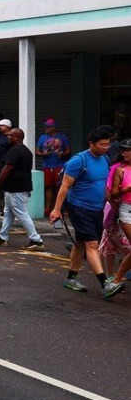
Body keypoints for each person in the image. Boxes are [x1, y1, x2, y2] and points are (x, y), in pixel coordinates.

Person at [49, 127, 124, 299]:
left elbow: (102, 185)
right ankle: (105, 284)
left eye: (107, 144)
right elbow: (65, 186)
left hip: (97, 208)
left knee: (81, 243)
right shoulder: (79, 161)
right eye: (102, 144)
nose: (105, 147)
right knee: (91, 244)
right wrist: (57, 209)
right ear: (91, 143)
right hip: (79, 207)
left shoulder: (105, 159)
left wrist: (113, 204)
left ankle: (71, 278)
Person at [0, 128, 45, 250]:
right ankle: (2, 237)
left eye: (10, 136)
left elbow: (7, 168)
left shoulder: (14, 151)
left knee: (22, 214)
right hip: (18, 187)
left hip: (16, 188)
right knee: (8, 213)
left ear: (17, 138)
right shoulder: (26, 151)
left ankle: (36, 240)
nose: (8, 137)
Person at [100, 139, 131, 280]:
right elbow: (109, 191)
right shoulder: (117, 168)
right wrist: (115, 208)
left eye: (128, 150)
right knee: (110, 242)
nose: (125, 153)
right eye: (123, 150)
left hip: (123, 207)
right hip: (117, 208)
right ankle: (111, 276)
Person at [36, 118, 71, 217]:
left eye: (48, 127)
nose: (45, 128)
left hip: (59, 165)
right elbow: (37, 151)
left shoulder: (62, 137)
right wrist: (43, 154)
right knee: (48, 186)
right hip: (47, 165)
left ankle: (61, 208)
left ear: (53, 127)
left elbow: (68, 150)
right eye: (45, 126)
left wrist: (62, 154)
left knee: (60, 187)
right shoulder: (42, 137)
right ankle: (48, 208)